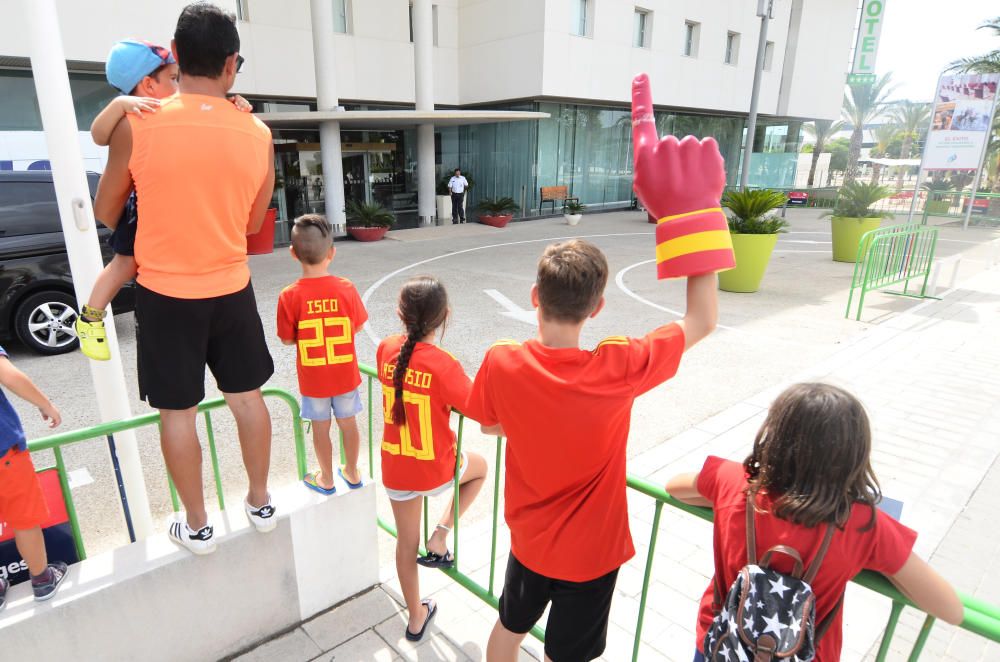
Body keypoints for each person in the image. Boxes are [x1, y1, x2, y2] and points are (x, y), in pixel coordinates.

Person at [463, 237, 718, 661]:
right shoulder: (619, 365)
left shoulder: (502, 361)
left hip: (530, 543)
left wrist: (534, 424)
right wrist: (696, 221)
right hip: (593, 555)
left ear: (534, 297)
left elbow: (490, 426)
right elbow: (703, 319)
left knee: (509, 629)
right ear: (596, 307)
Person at [92, 2, 277, 555]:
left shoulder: (139, 122)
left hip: (166, 293)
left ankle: (197, 525)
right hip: (230, 284)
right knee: (248, 398)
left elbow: (106, 211)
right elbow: (250, 224)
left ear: (178, 56)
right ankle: (260, 502)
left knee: (178, 412)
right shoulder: (257, 132)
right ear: (230, 65)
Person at [666, 383, 964, 661]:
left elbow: (674, 486)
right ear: (853, 456)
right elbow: (951, 609)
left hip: (722, 642)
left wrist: (722, 498)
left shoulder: (732, 480)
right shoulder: (864, 525)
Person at [76, 40, 253, 362]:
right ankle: (90, 318)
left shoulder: (169, 115)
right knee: (124, 263)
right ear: (147, 84)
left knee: (128, 263)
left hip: (164, 217)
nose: (179, 84)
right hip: (142, 209)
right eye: (173, 78)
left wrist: (234, 104)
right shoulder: (134, 114)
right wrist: (120, 105)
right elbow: (98, 135)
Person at [377, 276, 489, 642]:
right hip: (435, 469)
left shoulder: (384, 349)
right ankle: (440, 535)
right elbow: (479, 408)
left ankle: (414, 618)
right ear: (445, 317)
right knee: (481, 468)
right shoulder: (443, 364)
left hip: (396, 467)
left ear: (399, 314)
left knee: (404, 545)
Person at [277, 214, 366, 494]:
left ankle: (326, 478)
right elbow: (358, 326)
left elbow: (287, 339)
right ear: (332, 252)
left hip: (314, 380)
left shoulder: (289, 296)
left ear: (293, 253)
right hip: (344, 375)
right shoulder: (346, 288)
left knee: (319, 428)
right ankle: (351, 472)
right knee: (348, 424)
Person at [0, 345, 66, 609]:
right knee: (25, 519)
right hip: (4, 453)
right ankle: (42, 579)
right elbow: (8, 375)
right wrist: (46, 404)